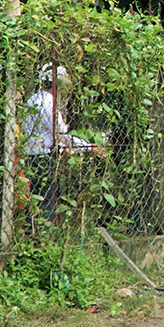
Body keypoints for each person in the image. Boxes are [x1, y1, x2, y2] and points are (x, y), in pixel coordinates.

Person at [21, 63, 100, 219]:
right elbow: (61, 134)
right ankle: (43, 237)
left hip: (30, 155)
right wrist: (86, 147)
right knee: (45, 201)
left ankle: (35, 234)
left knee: (35, 201)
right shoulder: (49, 104)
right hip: (43, 157)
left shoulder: (32, 99)